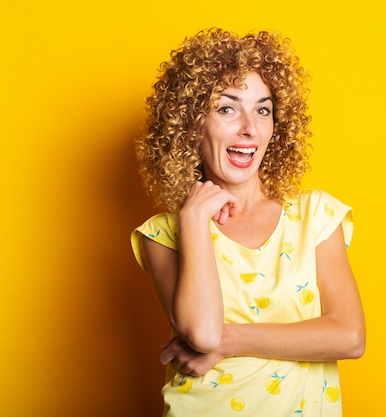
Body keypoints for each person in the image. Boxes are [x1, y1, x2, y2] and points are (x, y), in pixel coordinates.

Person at [131, 28, 365, 417]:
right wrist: (193, 217)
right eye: (227, 108)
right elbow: (201, 332)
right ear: (191, 125)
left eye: (262, 109)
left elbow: (350, 336)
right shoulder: (164, 234)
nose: (249, 128)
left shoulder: (316, 216)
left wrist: (228, 342)